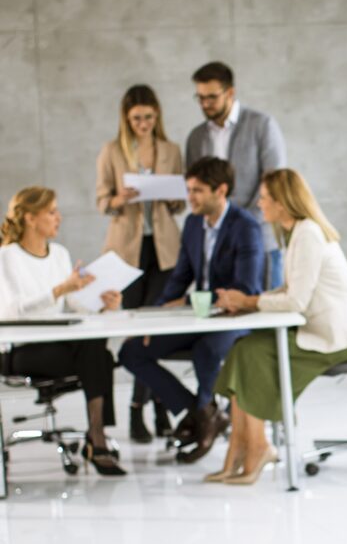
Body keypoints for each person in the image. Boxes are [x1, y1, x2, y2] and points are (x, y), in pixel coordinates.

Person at [208, 168, 347, 485]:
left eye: (264, 198)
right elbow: (291, 290)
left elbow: (296, 301)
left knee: (252, 353)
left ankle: (258, 447)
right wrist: (246, 299)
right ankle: (241, 446)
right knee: (242, 348)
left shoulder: (309, 234)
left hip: (341, 337)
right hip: (323, 329)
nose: (259, 204)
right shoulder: (297, 232)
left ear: (282, 203)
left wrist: (248, 302)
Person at [118, 157, 264, 464]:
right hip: (199, 316)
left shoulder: (246, 227)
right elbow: (180, 278)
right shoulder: (194, 223)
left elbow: (247, 288)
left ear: (220, 190)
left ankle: (203, 412)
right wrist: (153, 319)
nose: (190, 197)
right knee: (132, 351)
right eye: (188, 189)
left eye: (197, 191)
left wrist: (195, 300)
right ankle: (203, 413)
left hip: (233, 319)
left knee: (207, 350)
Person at [0, 187, 126, 476]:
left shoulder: (59, 253)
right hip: (23, 350)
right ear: (30, 218)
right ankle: (97, 440)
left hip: (61, 344)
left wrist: (102, 304)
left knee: (97, 349)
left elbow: (72, 304)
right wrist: (59, 289)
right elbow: (10, 311)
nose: (59, 218)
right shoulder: (8, 257)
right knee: (100, 358)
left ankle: (97, 435)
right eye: (52, 212)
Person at [95, 84, 185, 444]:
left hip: (164, 247)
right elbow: (101, 201)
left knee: (156, 331)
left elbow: (182, 201)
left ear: (157, 116)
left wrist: (168, 195)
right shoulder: (112, 151)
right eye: (136, 118)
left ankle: (150, 407)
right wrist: (119, 197)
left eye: (149, 117)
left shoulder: (171, 150)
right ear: (126, 119)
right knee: (136, 330)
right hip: (126, 249)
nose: (143, 124)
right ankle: (146, 410)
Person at [185, 61, 287, 290]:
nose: (205, 104)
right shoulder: (196, 137)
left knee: (267, 317)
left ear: (230, 92)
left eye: (211, 97)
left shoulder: (262, 125)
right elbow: (195, 187)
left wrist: (240, 223)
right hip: (217, 243)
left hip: (259, 235)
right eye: (200, 98)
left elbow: (274, 181)